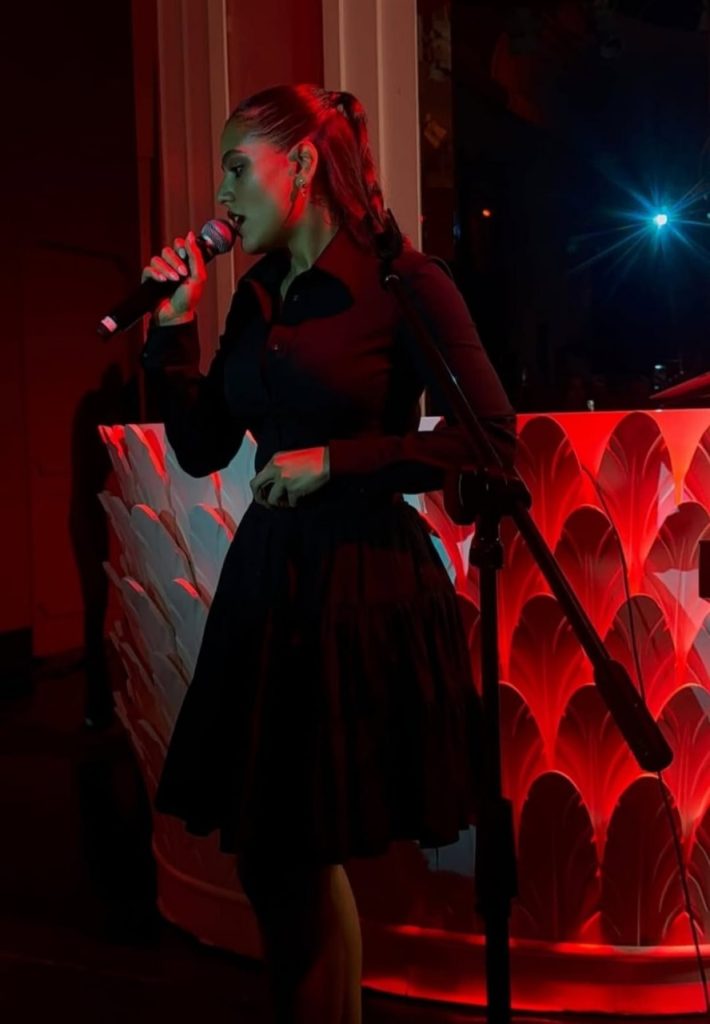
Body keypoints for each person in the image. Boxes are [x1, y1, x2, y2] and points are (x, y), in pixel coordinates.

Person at [140, 83, 515, 1024]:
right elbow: (200, 448)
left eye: (238, 168)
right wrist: (173, 329)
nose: (222, 193)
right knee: (282, 855)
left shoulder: (405, 282)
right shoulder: (258, 294)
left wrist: (338, 462)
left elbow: (490, 442)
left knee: (289, 850)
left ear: (301, 164)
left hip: (359, 584)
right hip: (273, 585)